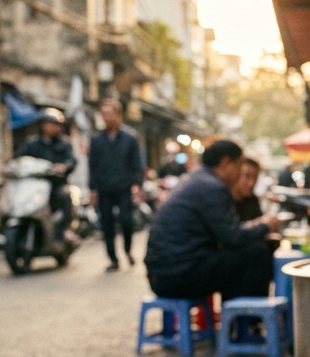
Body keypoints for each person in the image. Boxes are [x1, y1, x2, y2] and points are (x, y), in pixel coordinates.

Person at [145, 140, 282, 301]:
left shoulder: (198, 179)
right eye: (239, 166)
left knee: (241, 256)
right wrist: (265, 225)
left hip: (164, 273)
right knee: (256, 253)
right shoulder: (212, 187)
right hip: (176, 276)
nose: (239, 173)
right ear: (226, 163)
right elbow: (234, 237)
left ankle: (238, 319)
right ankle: (248, 319)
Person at [89, 99, 144, 271]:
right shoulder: (97, 139)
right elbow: (93, 166)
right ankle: (113, 258)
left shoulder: (130, 138)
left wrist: (137, 184)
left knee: (126, 220)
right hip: (104, 188)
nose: (108, 118)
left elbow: (137, 164)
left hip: (124, 187)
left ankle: (128, 251)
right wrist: (92, 189)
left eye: (111, 113)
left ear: (119, 115)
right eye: (104, 114)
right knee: (107, 225)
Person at [14, 107, 77, 229]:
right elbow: (18, 158)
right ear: (43, 125)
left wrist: (64, 167)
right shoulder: (31, 143)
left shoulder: (64, 144)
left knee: (65, 195)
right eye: (52, 124)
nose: (56, 127)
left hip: (56, 184)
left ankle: (66, 230)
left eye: (58, 125)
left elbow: (71, 161)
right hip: (35, 185)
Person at [232, 157, 264, 221]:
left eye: (255, 177)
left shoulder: (252, 200)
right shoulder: (224, 201)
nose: (252, 183)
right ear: (235, 174)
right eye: (247, 176)